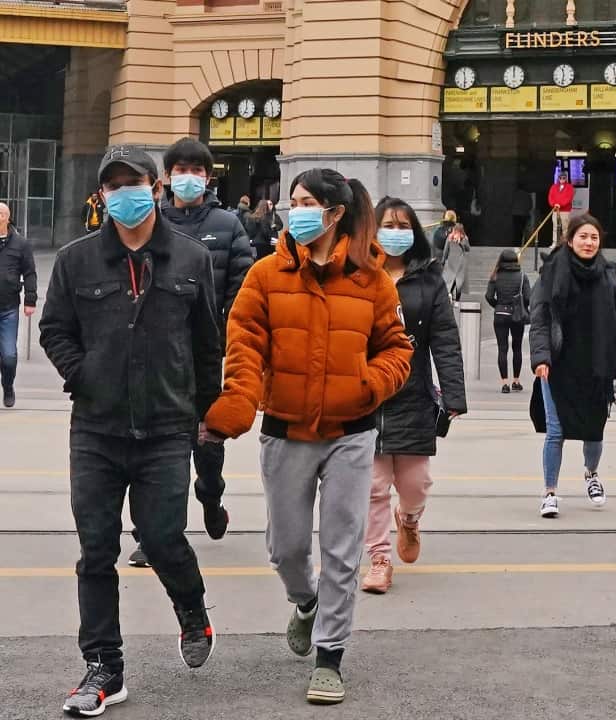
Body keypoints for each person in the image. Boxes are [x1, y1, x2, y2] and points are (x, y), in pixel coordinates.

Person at [203, 168, 412, 704]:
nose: (292, 210)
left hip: (351, 432)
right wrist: (238, 402)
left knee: (343, 550)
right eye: (290, 201)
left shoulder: (373, 281)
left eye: (304, 202)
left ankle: (330, 657)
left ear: (335, 213)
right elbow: (244, 343)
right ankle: (305, 600)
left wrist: (370, 383)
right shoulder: (266, 275)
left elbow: (398, 349)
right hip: (285, 430)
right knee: (287, 548)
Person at [39, 145, 223, 717]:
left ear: (156, 186)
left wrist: (206, 419)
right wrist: (82, 372)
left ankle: (192, 612)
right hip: (96, 428)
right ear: (101, 195)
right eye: (112, 184)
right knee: (96, 551)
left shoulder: (192, 260)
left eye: (134, 182)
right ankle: (103, 667)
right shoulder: (76, 261)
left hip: (169, 427)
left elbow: (206, 345)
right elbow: (54, 330)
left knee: (163, 535)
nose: (125, 193)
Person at [126, 137, 253, 569]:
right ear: (166, 178)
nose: (188, 178)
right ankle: (152, 535)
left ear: (208, 176)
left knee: (206, 440)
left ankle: (211, 494)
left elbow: (242, 287)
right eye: (180, 170)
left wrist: (225, 338)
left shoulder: (229, 224)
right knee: (158, 444)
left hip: (204, 354)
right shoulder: (148, 220)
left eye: (196, 171)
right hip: (154, 354)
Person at [360, 197, 467, 595]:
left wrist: (453, 394)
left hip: (414, 392)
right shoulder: (358, 274)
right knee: (372, 484)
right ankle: (379, 558)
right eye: (388, 224)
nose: (395, 232)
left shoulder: (429, 278)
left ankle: (408, 518)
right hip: (366, 392)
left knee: (415, 483)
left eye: (404, 226)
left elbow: (444, 338)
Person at [529, 214, 616, 518]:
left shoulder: (609, 273)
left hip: (597, 364)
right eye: (583, 237)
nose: (589, 243)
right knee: (555, 431)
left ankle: (591, 474)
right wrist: (540, 357)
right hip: (559, 363)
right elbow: (540, 317)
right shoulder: (552, 271)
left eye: (594, 238)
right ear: (570, 238)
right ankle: (550, 492)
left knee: (594, 429)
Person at [0, 202, 36, 408]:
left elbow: (29, 272)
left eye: (0, 214)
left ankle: (8, 385)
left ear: (7, 217)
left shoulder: (20, 244)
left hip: (8, 309)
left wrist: (30, 299)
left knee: (9, 357)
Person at [486, 248, 530, 393]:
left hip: (500, 314)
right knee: (517, 348)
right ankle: (516, 381)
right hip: (517, 315)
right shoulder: (523, 276)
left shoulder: (495, 276)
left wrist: (498, 305)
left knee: (502, 349)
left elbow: (489, 296)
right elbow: (528, 297)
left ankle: (504, 383)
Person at [441, 222, 470, 301]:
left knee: (455, 280)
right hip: (458, 262)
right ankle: (455, 298)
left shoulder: (455, 238)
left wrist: (443, 261)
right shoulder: (454, 238)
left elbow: (445, 251)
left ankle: (452, 296)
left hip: (454, 262)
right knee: (456, 281)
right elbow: (468, 249)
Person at [547, 171, 575, 249]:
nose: (562, 179)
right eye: (560, 177)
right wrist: (554, 204)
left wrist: (560, 204)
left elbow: (569, 198)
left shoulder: (570, 187)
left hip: (565, 211)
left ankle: (565, 243)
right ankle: (554, 242)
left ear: (566, 178)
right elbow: (550, 197)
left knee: (565, 227)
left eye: (564, 178)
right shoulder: (553, 187)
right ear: (558, 178)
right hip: (555, 210)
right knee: (555, 227)